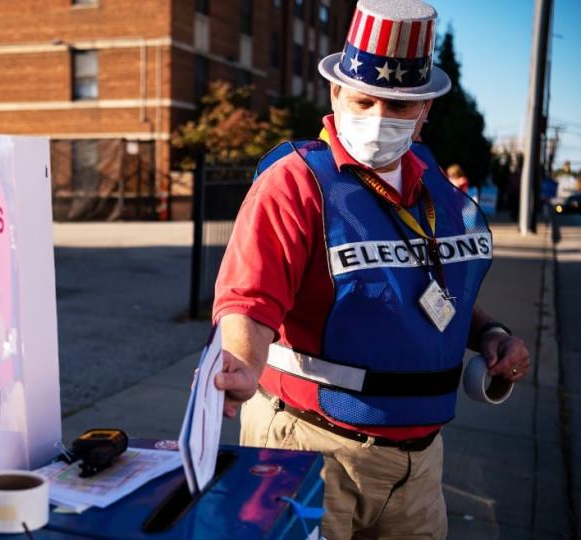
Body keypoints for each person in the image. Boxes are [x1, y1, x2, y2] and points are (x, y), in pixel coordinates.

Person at [211, 0, 531, 538]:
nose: (380, 119)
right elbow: (249, 298)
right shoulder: (295, 182)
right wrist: (241, 363)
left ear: (425, 110)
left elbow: (434, 286)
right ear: (335, 93)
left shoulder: (437, 190)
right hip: (308, 447)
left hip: (420, 465)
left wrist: (489, 333)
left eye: (400, 108)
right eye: (364, 100)